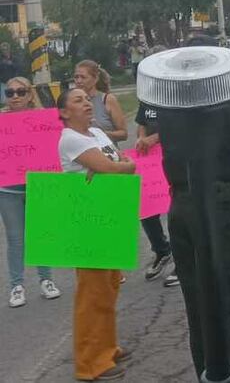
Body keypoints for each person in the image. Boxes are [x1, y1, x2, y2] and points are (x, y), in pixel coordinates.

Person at [155, 36, 230, 380]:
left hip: (181, 208)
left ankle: (209, 371)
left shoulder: (168, 104)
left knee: (199, 299)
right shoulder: (227, 102)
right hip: (218, 206)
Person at [57, 88, 137, 382]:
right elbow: (110, 166)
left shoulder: (96, 133)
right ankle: (90, 364)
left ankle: (107, 347)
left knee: (109, 285)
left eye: (86, 98)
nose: (86, 103)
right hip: (87, 222)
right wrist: (120, 167)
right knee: (92, 293)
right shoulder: (70, 139)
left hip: (108, 217)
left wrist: (118, 166)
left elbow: (118, 159)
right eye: (77, 101)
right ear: (64, 112)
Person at [1, 77, 62, 309]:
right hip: (8, 188)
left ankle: (46, 280)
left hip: (39, 184)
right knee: (15, 238)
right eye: (10, 92)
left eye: (21, 91)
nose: (15, 96)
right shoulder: (1, 121)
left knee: (40, 233)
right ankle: (17, 286)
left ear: (30, 94)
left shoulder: (45, 120)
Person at [133, 46, 178, 288]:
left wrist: (155, 138)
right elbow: (142, 121)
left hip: (173, 156)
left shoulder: (176, 90)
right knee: (147, 210)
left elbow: (179, 125)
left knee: (176, 212)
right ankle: (162, 249)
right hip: (149, 160)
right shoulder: (148, 92)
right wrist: (142, 137)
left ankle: (183, 262)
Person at [72, 60, 127, 144]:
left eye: (83, 77)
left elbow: (123, 134)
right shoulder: (71, 102)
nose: (79, 81)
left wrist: (101, 135)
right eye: (76, 77)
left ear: (95, 79)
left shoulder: (107, 99)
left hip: (107, 154)